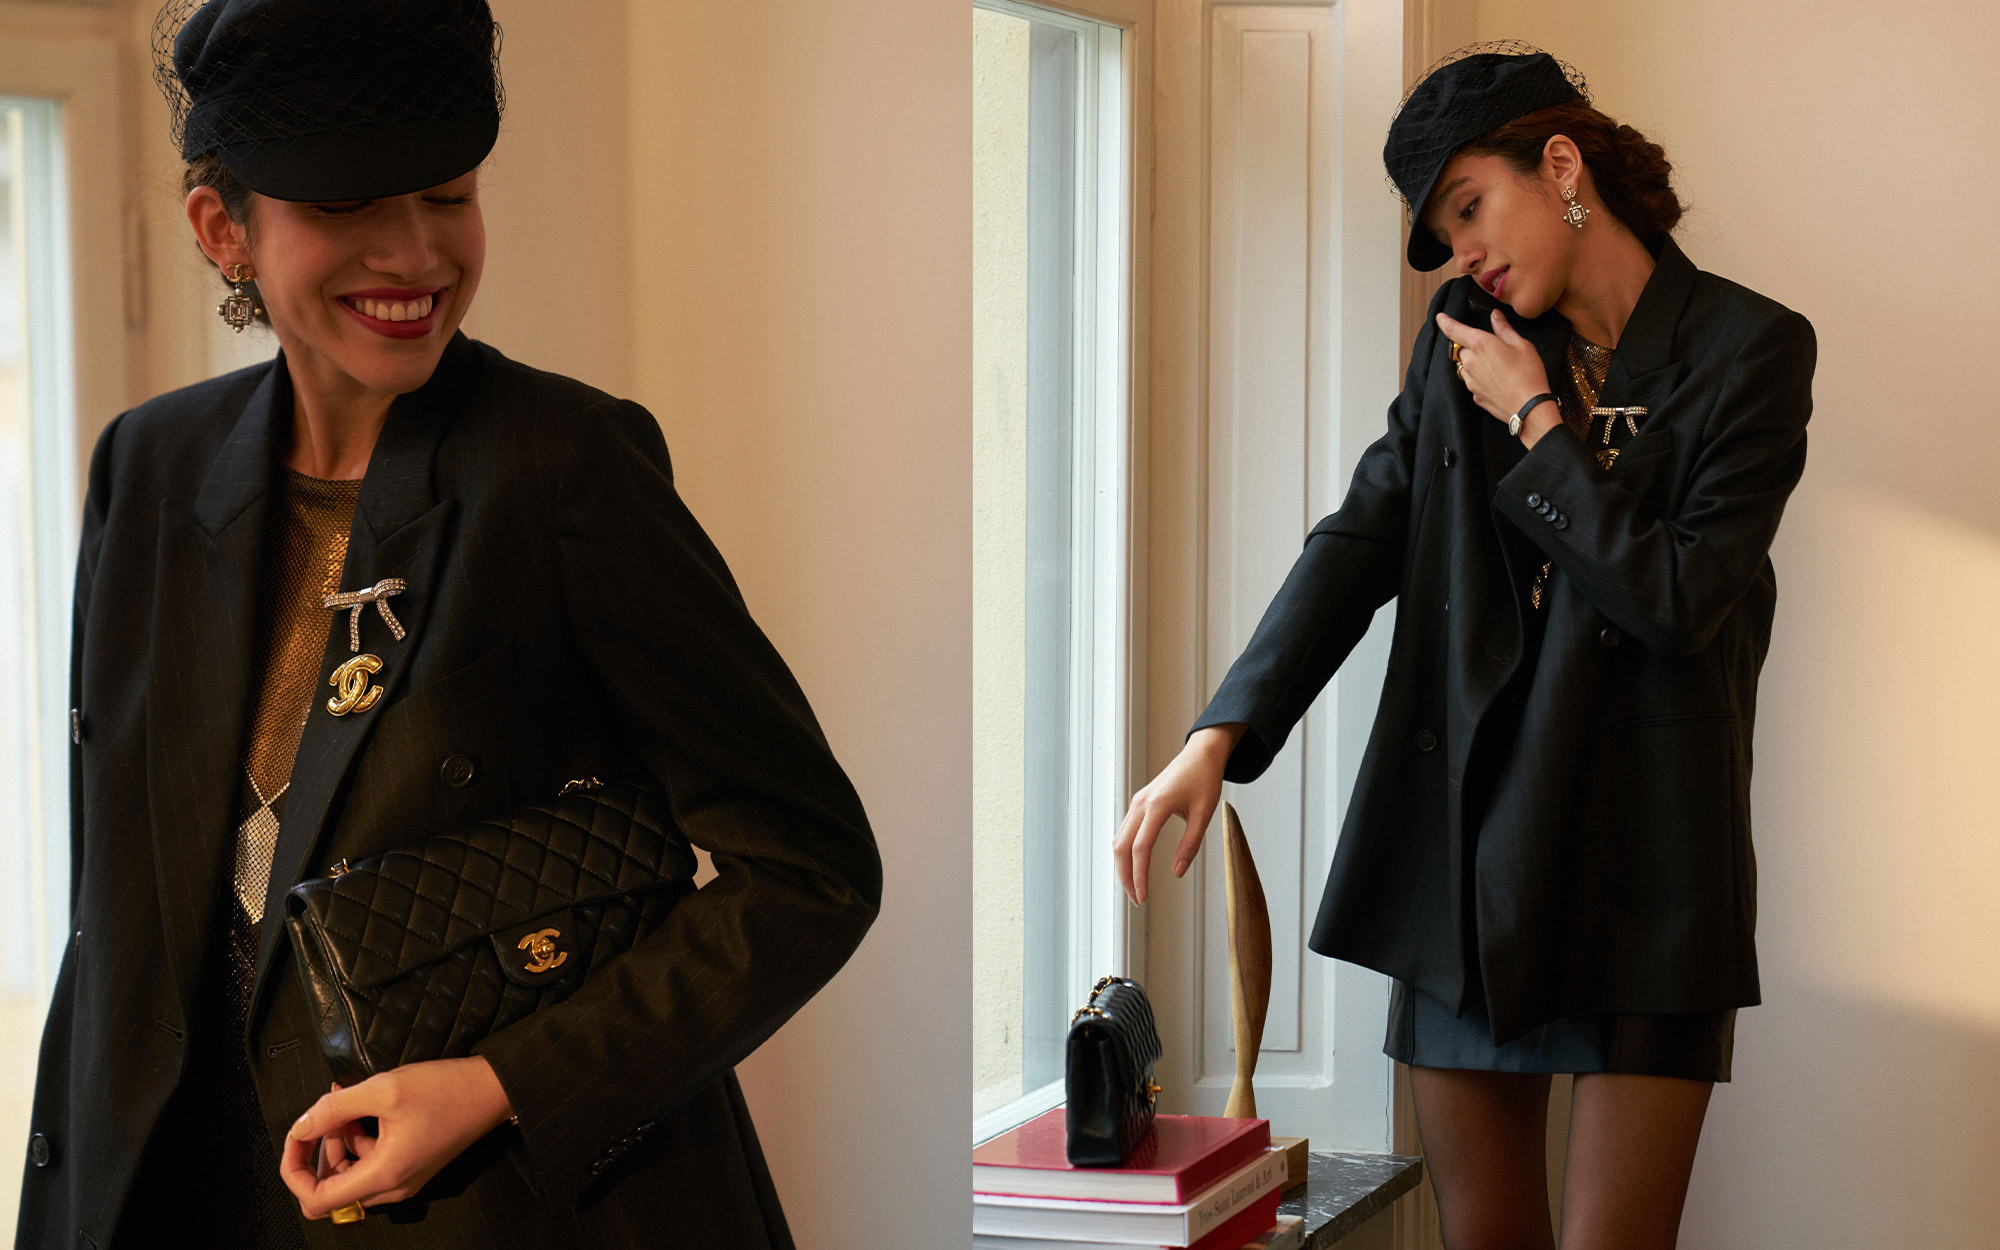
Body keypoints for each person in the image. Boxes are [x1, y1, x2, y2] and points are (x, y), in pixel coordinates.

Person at [17, 1, 881, 1246]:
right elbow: (122, 921)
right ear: (223, 229)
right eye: (346, 205)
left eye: (447, 195)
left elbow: (809, 869)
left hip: (508, 1212)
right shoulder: (148, 470)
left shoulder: (564, 466)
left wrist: (500, 1085)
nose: (415, 253)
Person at [1112, 42, 1814, 1250]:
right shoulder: (1461, 338)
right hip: (1468, 853)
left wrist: (1536, 418)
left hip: (1652, 857)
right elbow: (1363, 533)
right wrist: (1217, 733)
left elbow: (1676, 597)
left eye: (1469, 206)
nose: (1462, 251)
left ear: (1561, 166)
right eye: (1442, 232)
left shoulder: (1747, 349)